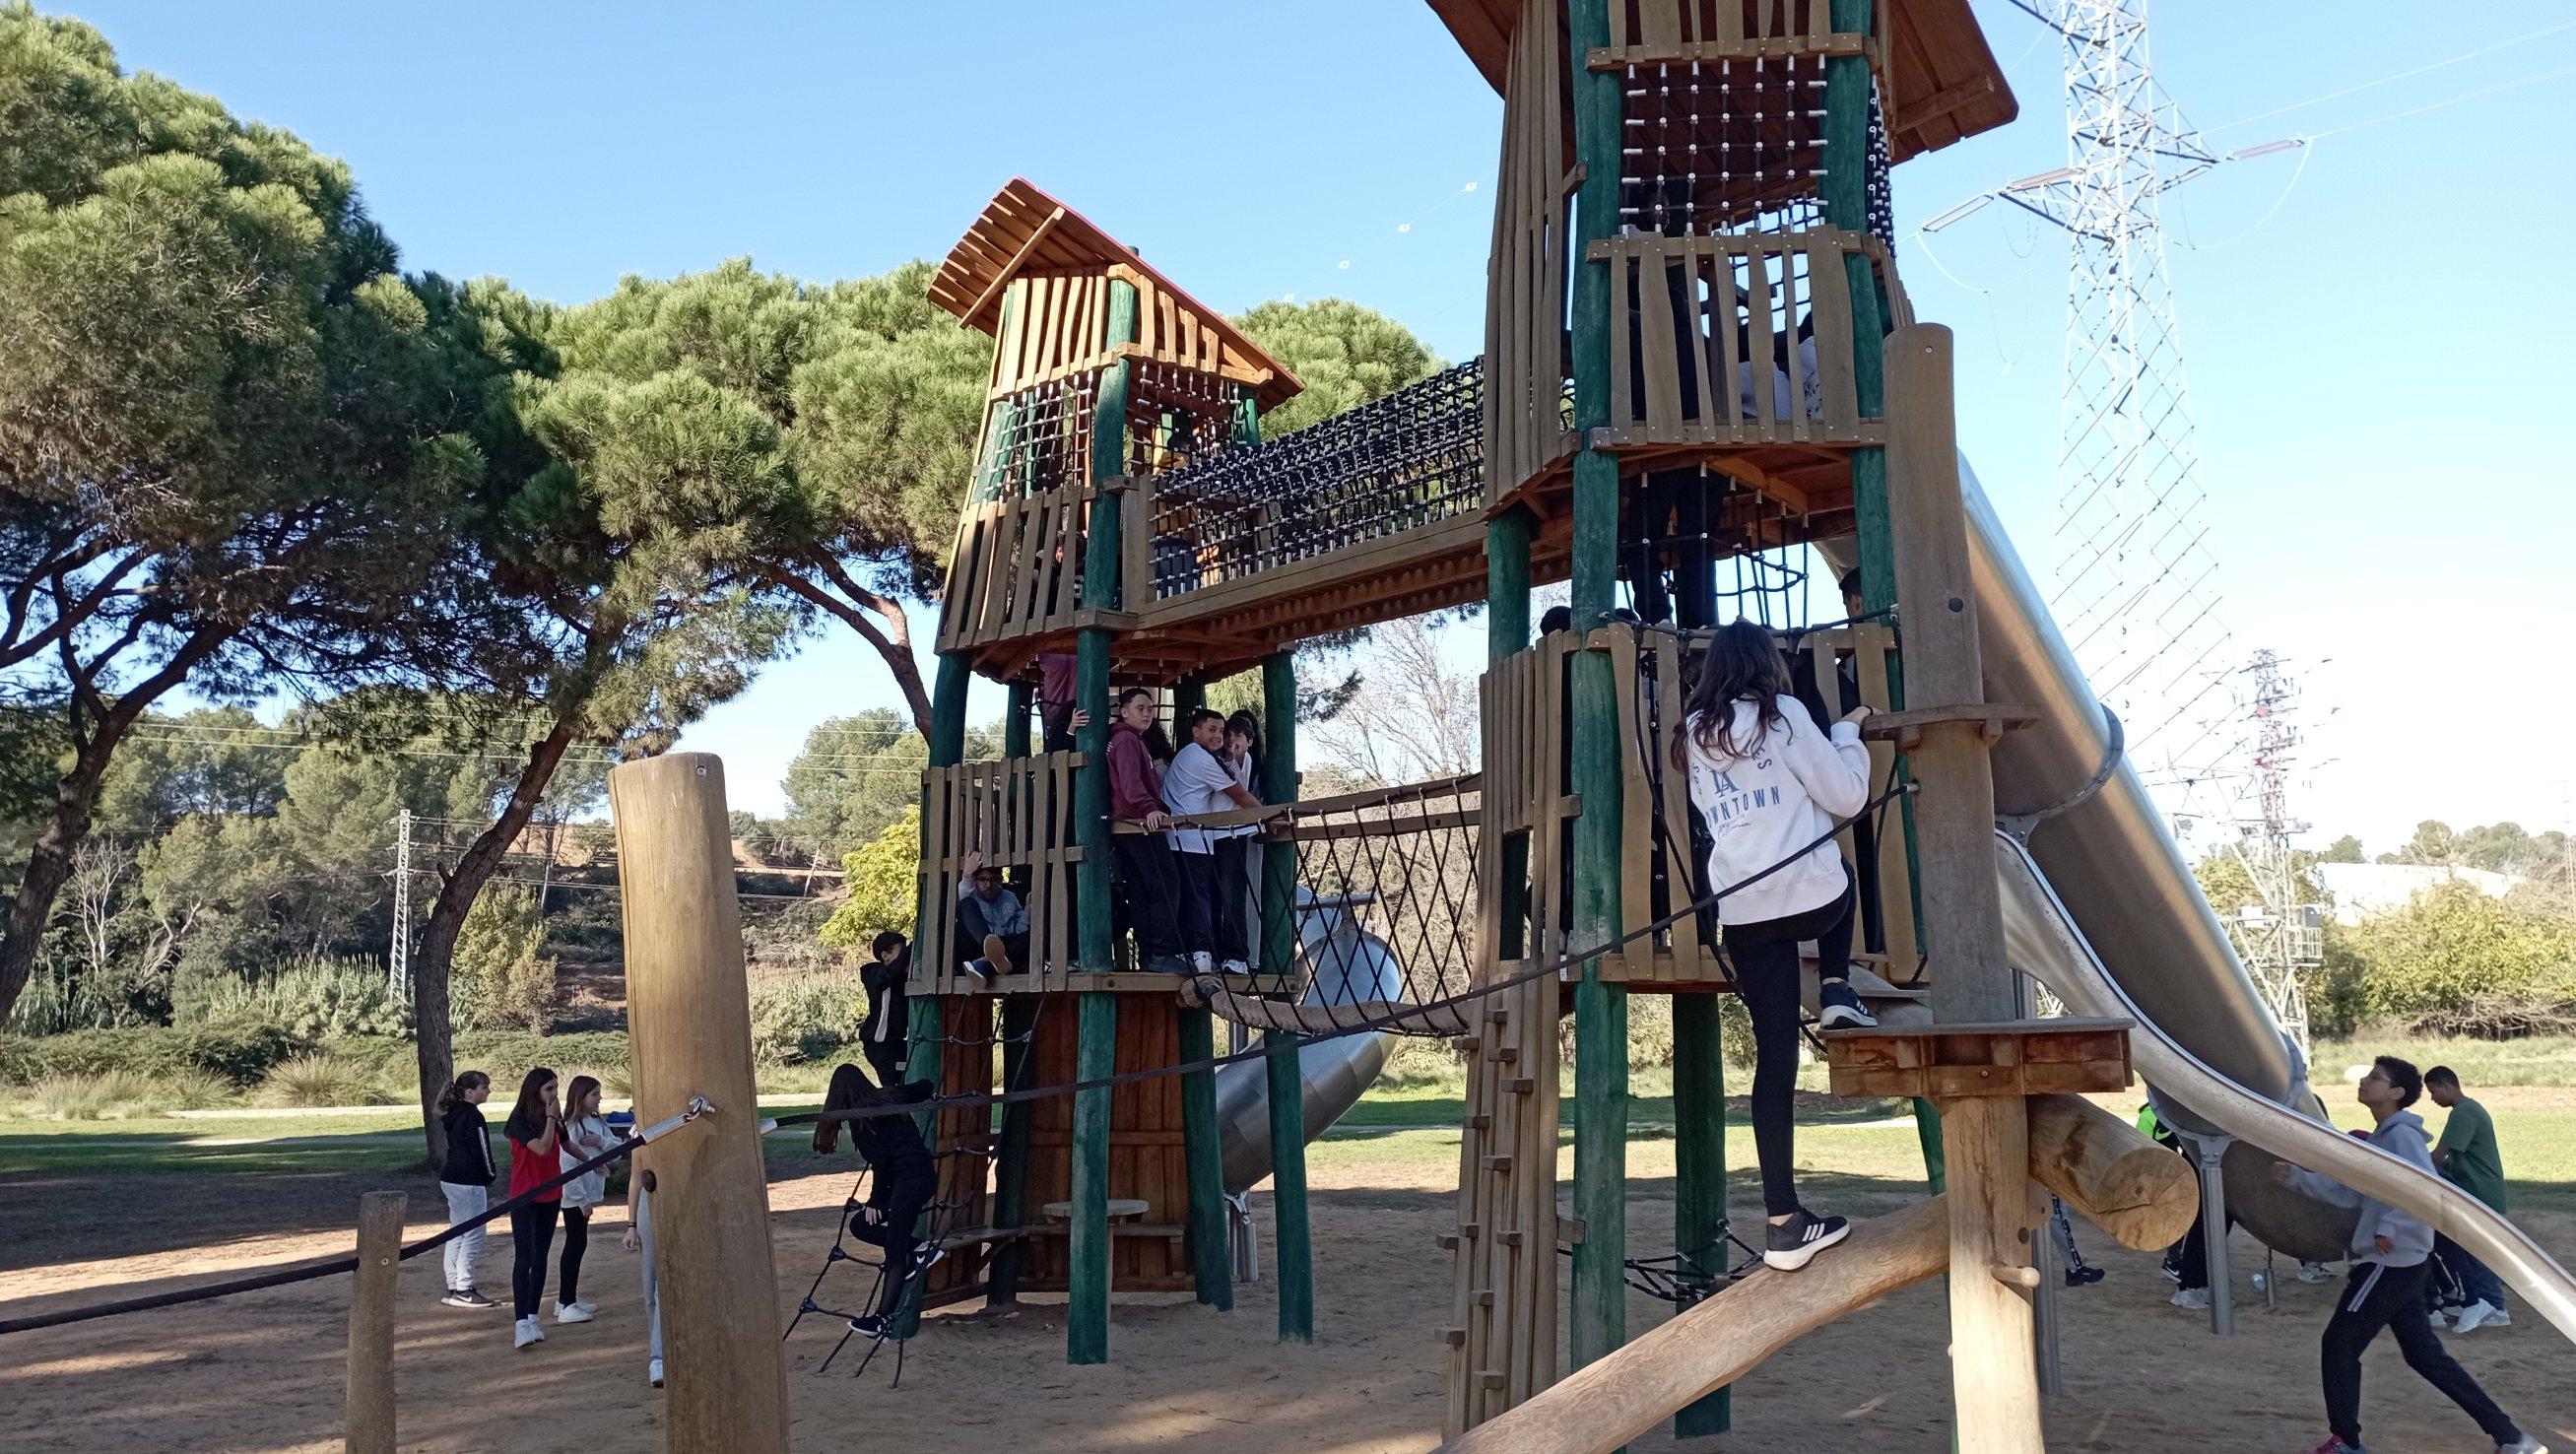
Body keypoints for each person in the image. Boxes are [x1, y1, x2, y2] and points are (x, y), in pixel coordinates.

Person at [1672, 620, 1875, 1271]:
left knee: (1775, 1061)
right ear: (1766, 665)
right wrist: (1847, 735)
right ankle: (1837, 986)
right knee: (1844, 877)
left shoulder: (1694, 734)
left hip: (1744, 912)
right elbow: (1846, 795)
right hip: (1812, 899)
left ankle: (1783, 1223)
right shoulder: (1781, 714)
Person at [2274, 1055, 2544, 1454]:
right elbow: (2354, 1194)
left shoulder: (2401, 1136)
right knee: (2424, 1356)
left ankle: (2346, 1442)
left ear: (2397, 1093)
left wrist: (2391, 1229)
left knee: (2339, 1345)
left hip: (2389, 1261)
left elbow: (2422, 1188)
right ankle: (2512, 1438)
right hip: (2400, 1261)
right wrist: (2298, 1179)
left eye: (2376, 1078)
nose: (2365, 1081)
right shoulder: (2384, 1137)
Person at [814, 1063, 941, 1339]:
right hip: (918, 1180)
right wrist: (922, 1091)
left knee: (895, 1252)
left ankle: (882, 1320)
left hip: (909, 1183)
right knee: (861, 1225)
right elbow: (924, 1087)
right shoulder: (890, 1097)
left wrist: (875, 1201)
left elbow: (881, 1165)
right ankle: (920, 1248)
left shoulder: (862, 1122)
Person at [1162, 707, 1269, 980]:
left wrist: (1266, 817)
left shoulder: (1231, 760)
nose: (1225, 738)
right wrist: (1268, 817)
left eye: (1228, 733)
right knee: (1206, 895)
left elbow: (1239, 793)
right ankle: (1207, 952)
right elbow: (1238, 794)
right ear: (1196, 731)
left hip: (1222, 834)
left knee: (1223, 894)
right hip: (1203, 836)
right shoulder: (1206, 759)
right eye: (1218, 731)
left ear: (1251, 741)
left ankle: (1229, 955)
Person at [1106, 688, 1189, 972]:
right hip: (1139, 823)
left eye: (1150, 709)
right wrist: (1149, 808)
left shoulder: (1124, 739)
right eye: (1140, 708)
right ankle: (1162, 952)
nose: (1147, 714)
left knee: (1142, 889)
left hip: (1126, 825)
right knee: (1167, 883)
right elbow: (1130, 783)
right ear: (1124, 711)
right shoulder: (1127, 740)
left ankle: (1150, 955)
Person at [2424, 1065, 2512, 1331]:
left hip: (2480, 1190)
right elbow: (2451, 1159)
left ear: (2447, 1085)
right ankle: (2485, 1302)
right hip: (2480, 1188)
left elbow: (2439, 1156)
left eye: (2434, 1091)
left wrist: (2411, 1165)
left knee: (2480, 1252)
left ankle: (2495, 1307)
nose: (2432, 1098)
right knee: (2476, 1250)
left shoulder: (2463, 1113)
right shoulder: (2469, 1110)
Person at [502, 1067, 565, 1349]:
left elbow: (566, 1144)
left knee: (541, 1257)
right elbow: (541, 1148)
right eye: (548, 1089)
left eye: (556, 1088)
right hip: (525, 1195)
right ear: (534, 1091)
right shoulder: (518, 1121)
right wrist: (551, 1119)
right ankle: (520, 1323)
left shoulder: (553, 1118)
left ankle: (532, 1316)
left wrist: (596, 1161)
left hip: (551, 1194)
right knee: (524, 1258)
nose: (554, 1094)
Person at [434, 1071, 498, 1309]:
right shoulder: (473, 1116)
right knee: (473, 1234)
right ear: (470, 1092)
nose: (488, 1091)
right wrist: (489, 1174)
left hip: (452, 1179)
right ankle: (464, 1288)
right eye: (484, 1087)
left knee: (458, 1232)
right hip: (468, 1182)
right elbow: (482, 1149)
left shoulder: (454, 1114)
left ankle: (454, 1284)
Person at [554, 1075, 614, 1327]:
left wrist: (601, 1142)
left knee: (578, 1243)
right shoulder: (572, 1124)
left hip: (586, 1193)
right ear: (581, 1096)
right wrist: (580, 1200)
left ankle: (566, 1300)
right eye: (594, 1094)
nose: (599, 1098)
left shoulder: (597, 1121)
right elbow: (567, 1165)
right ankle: (566, 1303)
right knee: (575, 1244)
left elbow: (616, 1146)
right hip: (575, 1196)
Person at [957, 851, 1030, 980]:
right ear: (975, 880)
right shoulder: (971, 895)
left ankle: (983, 965)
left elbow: (1019, 931)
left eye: (994, 879)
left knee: (1031, 936)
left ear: (1001, 880)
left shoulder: (1009, 897)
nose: (988, 885)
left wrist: (1028, 911)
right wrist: (967, 875)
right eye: (982, 880)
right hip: (977, 945)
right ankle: (988, 955)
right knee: (966, 904)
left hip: (1003, 950)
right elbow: (963, 896)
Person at [858, 931, 910, 1084]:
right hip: (879, 1045)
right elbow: (890, 974)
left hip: (896, 1043)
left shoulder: (898, 977)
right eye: (901, 951)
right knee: (892, 1087)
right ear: (885, 955)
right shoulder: (873, 973)